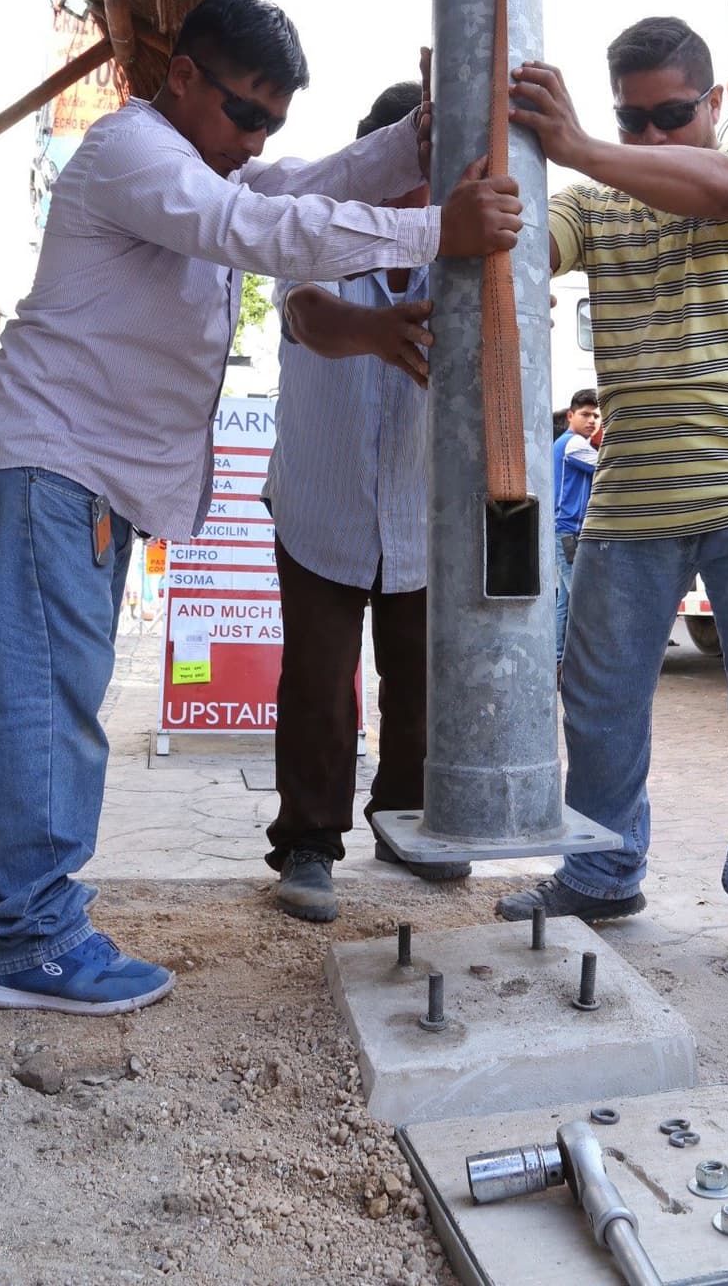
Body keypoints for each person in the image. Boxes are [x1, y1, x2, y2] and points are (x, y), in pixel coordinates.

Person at [0, 0, 522, 1015]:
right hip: (50, 468)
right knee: (48, 703)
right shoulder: (135, 153)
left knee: (16, 694)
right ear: (182, 78)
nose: (255, 140)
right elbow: (259, 224)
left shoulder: (202, 165)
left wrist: (414, 141)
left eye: (272, 123)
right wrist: (438, 222)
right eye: (243, 112)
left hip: (64, 473)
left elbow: (310, 182)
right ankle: (28, 936)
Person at [496, 15, 728, 998]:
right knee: (601, 699)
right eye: (632, 119)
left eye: (670, 116)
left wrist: (580, 145)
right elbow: (522, 244)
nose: (652, 138)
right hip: (633, 500)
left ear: (714, 104)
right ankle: (604, 872)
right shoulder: (598, 200)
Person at [263, 82, 469, 921]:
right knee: (318, 682)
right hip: (322, 502)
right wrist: (378, 336)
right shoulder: (319, 230)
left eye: (430, 179)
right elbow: (307, 315)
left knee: (420, 683)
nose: (413, 199)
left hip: (424, 515)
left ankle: (406, 821)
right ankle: (308, 845)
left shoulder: (462, 256)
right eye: (401, 172)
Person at [552, 387, 601, 668]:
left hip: (563, 531)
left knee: (567, 601)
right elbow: (607, 467)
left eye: (596, 415)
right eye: (585, 414)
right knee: (584, 601)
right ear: (571, 415)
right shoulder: (575, 445)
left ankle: (558, 660)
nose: (592, 420)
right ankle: (582, 666)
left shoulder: (566, 442)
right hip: (568, 532)